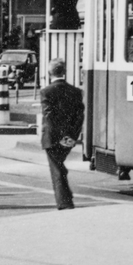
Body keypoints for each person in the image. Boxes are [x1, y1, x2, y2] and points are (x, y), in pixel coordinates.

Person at [39, 58, 85, 210]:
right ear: (64, 72)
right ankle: (67, 196)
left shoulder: (46, 92)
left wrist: (58, 136)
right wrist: (70, 135)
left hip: (52, 138)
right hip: (69, 137)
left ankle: (64, 202)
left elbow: (49, 117)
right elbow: (80, 117)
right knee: (59, 165)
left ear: (49, 73)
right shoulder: (76, 92)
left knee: (56, 169)